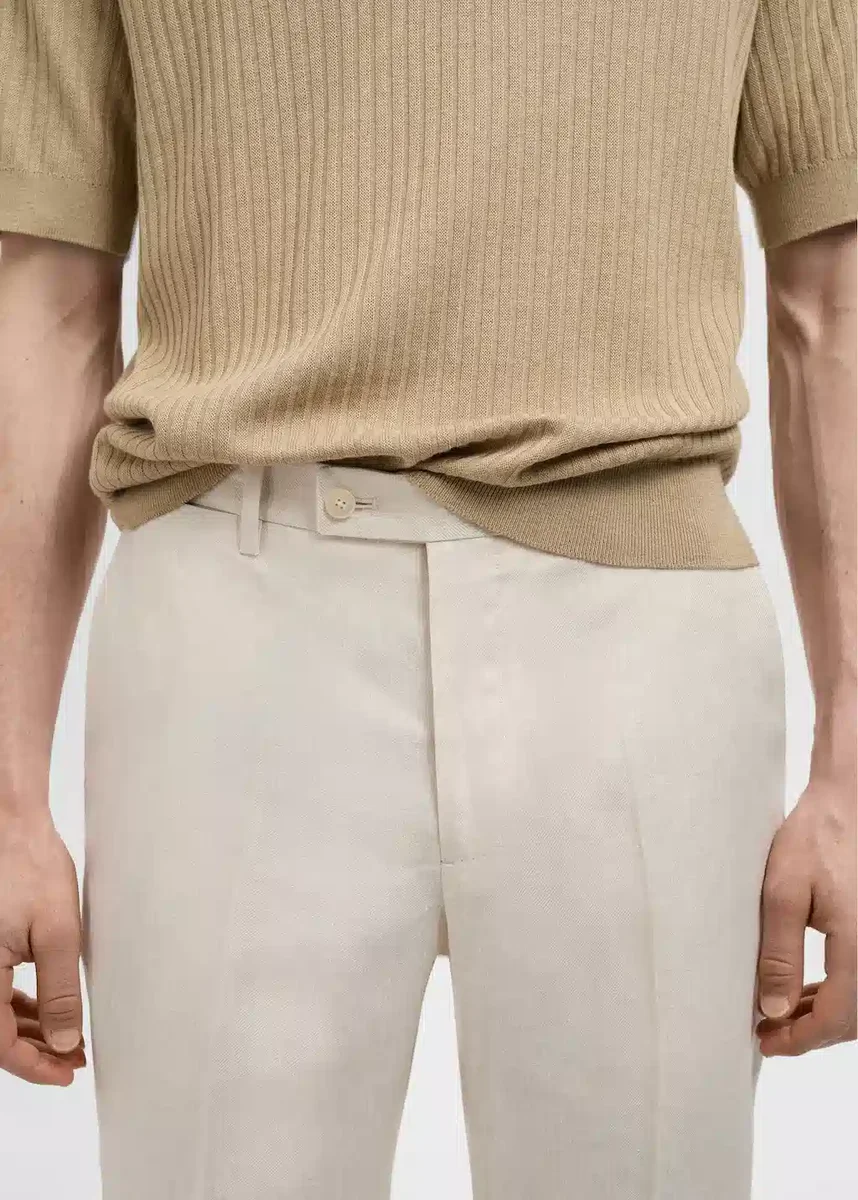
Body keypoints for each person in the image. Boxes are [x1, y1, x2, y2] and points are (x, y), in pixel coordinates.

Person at [0, 0, 855, 1196]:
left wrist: (852, 766)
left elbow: (832, 280)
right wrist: (7, 792)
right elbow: (47, 285)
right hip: (232, 632)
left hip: (640, 635)